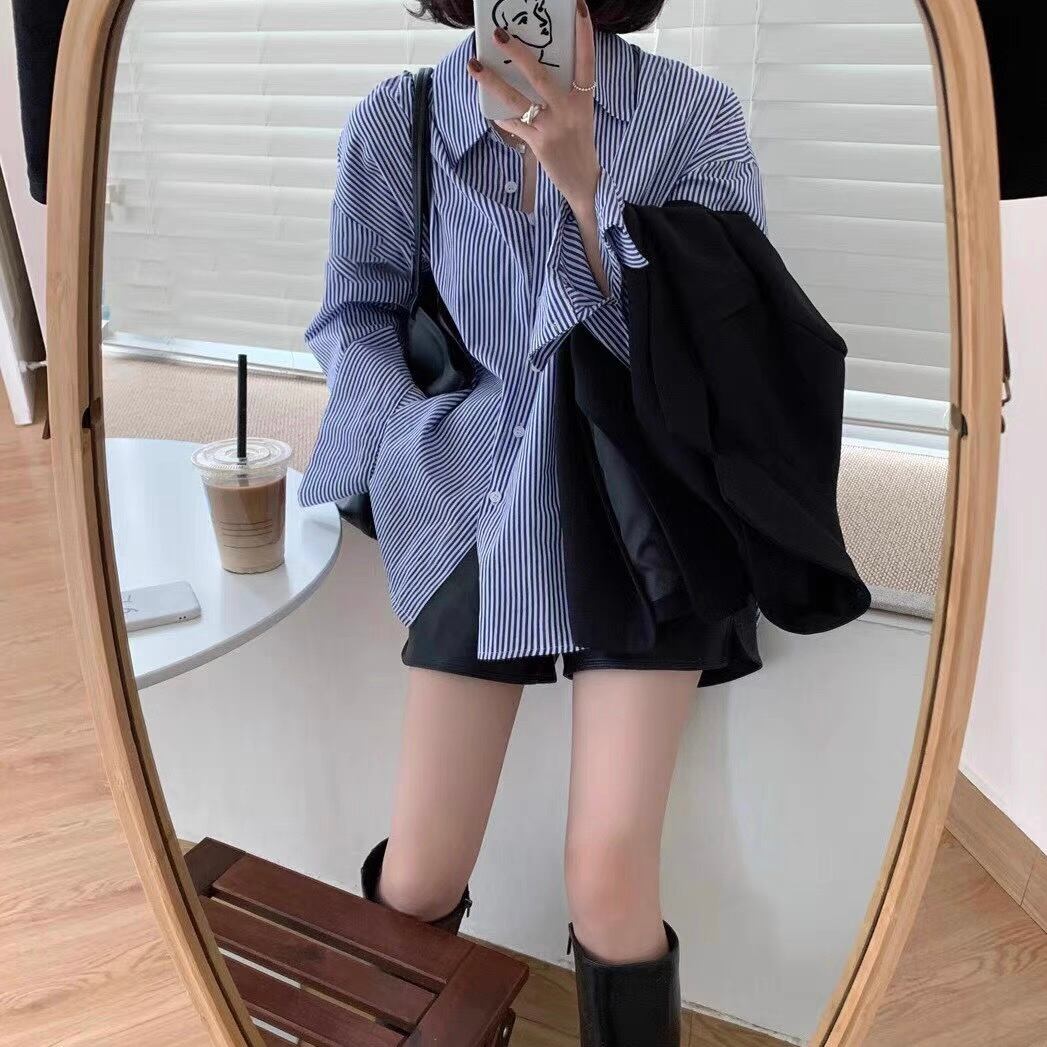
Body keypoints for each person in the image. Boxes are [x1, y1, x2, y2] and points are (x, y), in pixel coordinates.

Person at [297, 1, 766, 1041]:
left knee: (608, 878)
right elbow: (355, 314)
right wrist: (405, 443)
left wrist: (586, 188)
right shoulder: (401, 121)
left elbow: (722, 351)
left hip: (650, 501)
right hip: (475, 488)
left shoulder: (696, 118)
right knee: (419, 876)